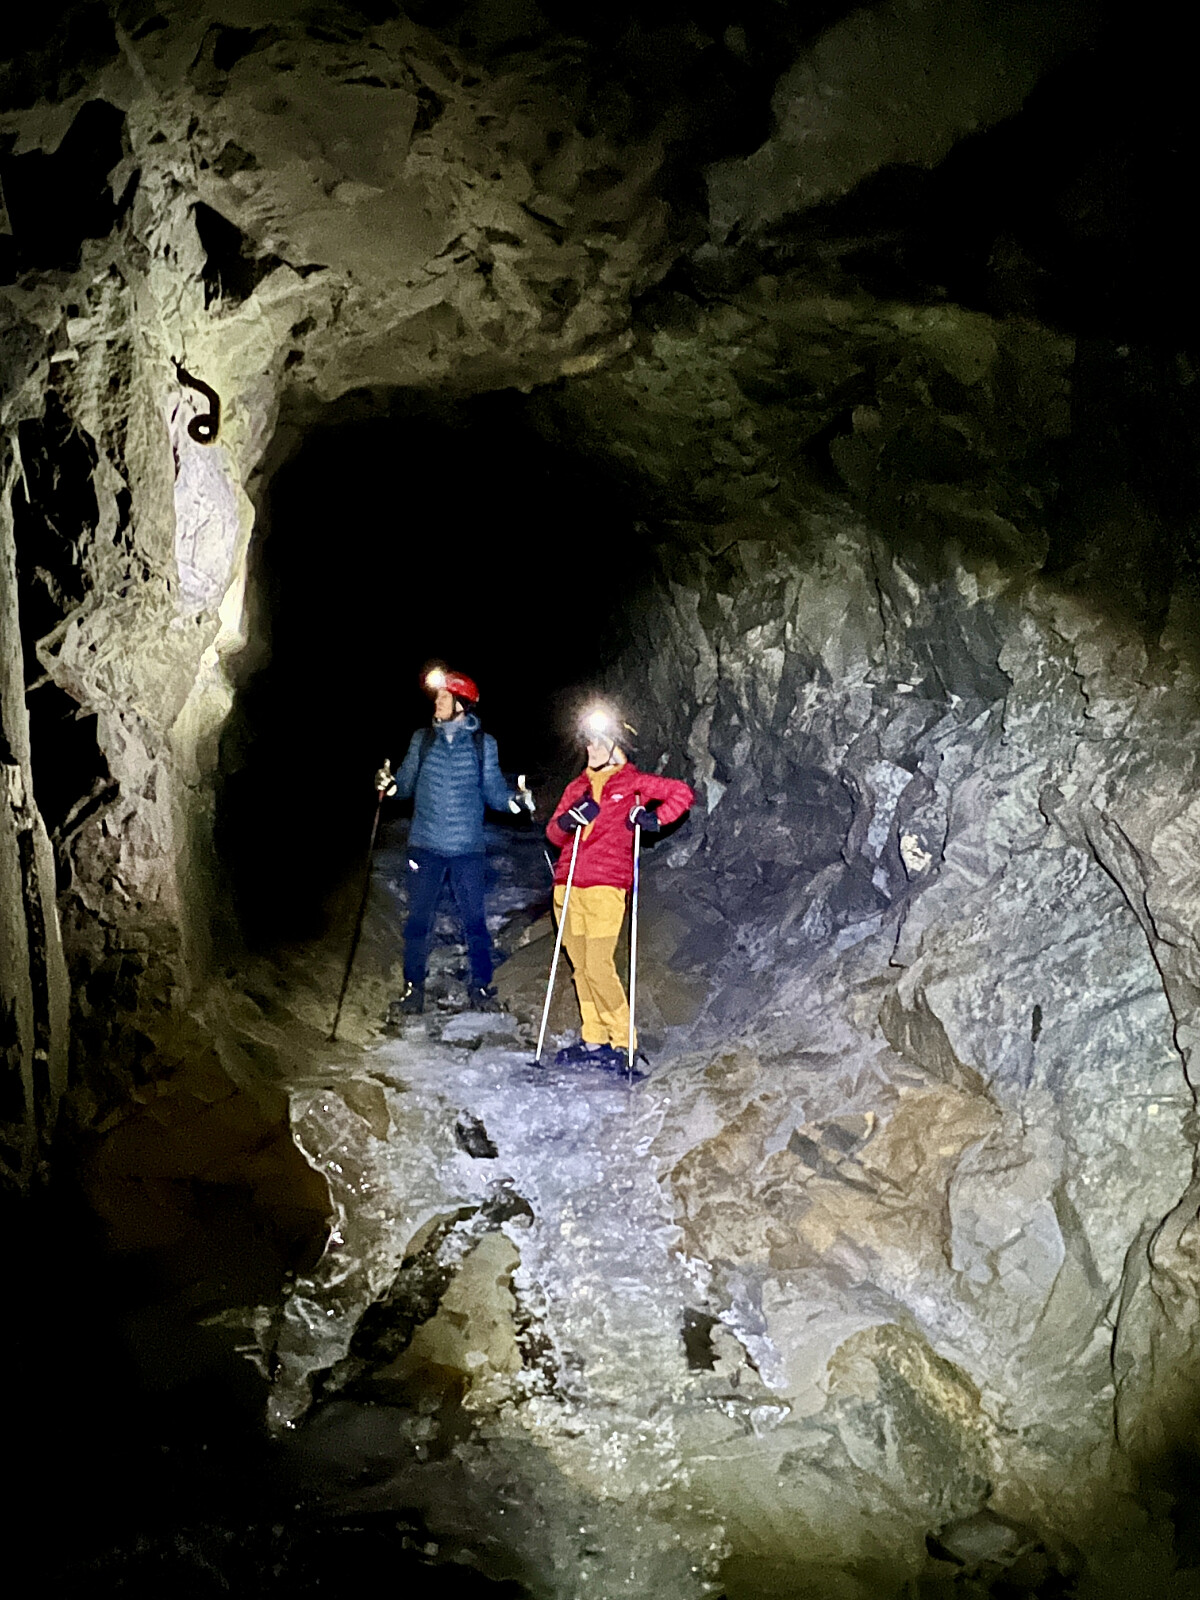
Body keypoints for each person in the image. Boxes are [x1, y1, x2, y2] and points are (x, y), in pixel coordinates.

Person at [545, 705, 694, 1068]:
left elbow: (681, 794)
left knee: (598, 965)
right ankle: (594, 1037)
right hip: (567, 885)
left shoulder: (633, 784)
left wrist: (652, 819)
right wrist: (568, 821)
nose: (591, 749)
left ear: (616, 746)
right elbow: (553, 834)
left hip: (605, 888)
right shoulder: (577, 787)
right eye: (589, 743)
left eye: (599, 742)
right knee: (581, 967)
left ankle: (625, 1041)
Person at [377, 667, 533, 1015]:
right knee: (418, 922)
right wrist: (389, 785)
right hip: (425, 846)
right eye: (437, 696)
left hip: (467, 850)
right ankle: (413, 991)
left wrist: (516, 801)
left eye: (444, 697)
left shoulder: (483, 745)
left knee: (475, 922)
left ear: (461, 703)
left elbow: (494, 792)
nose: (437, 702)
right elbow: (405, 784)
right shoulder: (422, 740)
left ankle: (481, 988)